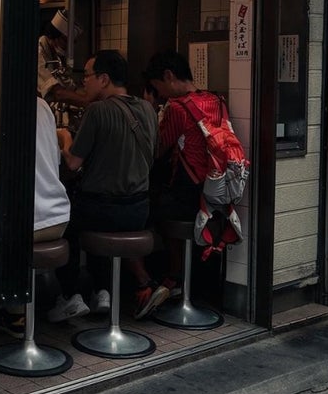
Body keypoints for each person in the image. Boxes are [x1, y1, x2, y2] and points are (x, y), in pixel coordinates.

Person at [48, 49, 160, 321]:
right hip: (139, 211)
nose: (83, 81)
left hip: (102, 210)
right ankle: (102, 291)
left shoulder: (97, 111)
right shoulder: (147, 108)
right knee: (96, 216)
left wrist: (63, 139)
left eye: (87, 76)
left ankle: (71, 295)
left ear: (104, 79)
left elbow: (73, 163)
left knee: (67, 222)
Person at [0, 93, 71, 345]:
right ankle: (16, 316)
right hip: (58, 217)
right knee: (8, 234)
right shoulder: (42, 106)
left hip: (26, 221)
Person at [141, 49, 230, 308]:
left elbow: (157, 150)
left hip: (188, 195)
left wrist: (150, 110)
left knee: (148, 209)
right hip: (216, 190)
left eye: (158, 87)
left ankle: (173, 276)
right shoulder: (216, 100)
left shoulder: (177, 108)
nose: (159, 93)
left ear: (168, 76)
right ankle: (186, 279)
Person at [37, 8, 91, 112]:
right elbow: (58, 92)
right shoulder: (38, 54)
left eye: (72, 43)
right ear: (55, 35)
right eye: (66, 41)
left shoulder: (55, 56)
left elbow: (70, 87)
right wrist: (88, 103)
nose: (68, 47)